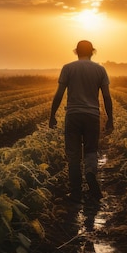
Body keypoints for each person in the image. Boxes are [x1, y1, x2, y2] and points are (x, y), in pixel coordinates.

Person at [49, 40, 113, 203]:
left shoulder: (68, 68)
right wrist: (110, 119)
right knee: (91, 150)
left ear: (76, 52)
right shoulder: (100, 70)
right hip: (92, 116)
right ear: (92, 52)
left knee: (73, 155)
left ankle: (76, 192)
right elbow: (106, 96)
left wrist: (52, 115)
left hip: (73, 115)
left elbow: (59, 94)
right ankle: (90, 171)